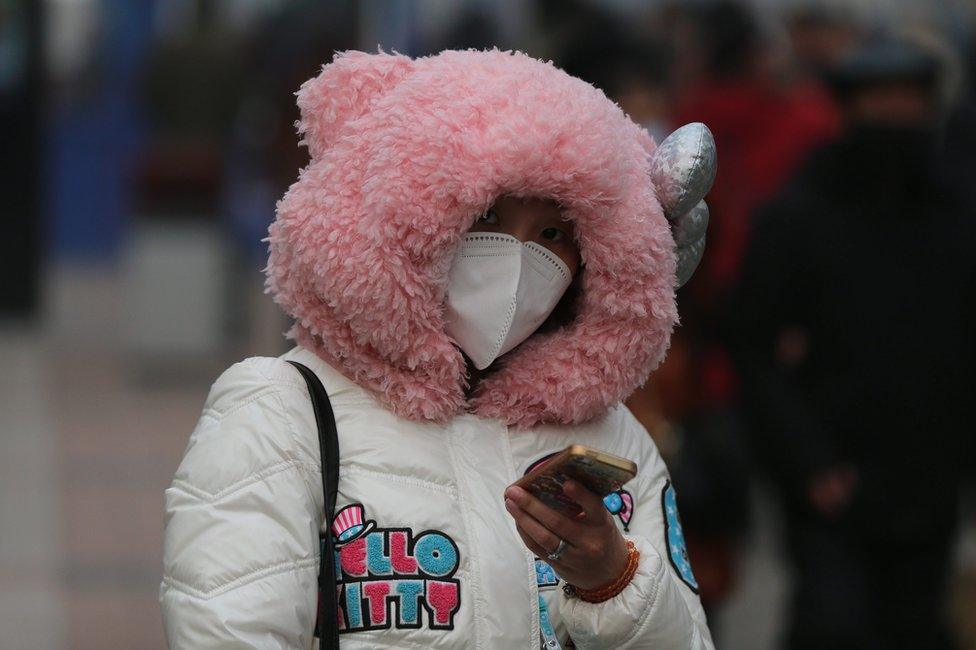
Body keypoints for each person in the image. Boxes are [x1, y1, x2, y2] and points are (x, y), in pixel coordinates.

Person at [160, 49, 716, 648]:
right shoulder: (279, 413)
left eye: (552, 234)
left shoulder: (611, 436)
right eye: (486, 217)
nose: (515, 258)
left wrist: (615, 584)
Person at [733, 37, 976, 649]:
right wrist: (807, 461)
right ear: (849, 109)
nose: (895, 114)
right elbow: (754, 348)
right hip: (832, 480)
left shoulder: (954, 214)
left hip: (931, 479)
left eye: (908, 100)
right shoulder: (798, 215)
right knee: (833, 625)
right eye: (879, 100)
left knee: (915, 627)